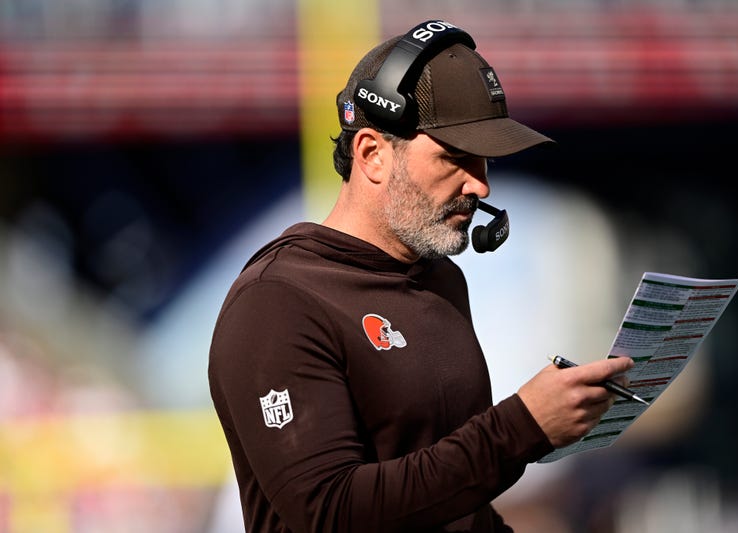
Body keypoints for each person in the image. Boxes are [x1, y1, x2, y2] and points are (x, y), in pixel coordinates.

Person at [208, 19, 634, 533]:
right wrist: (522, 426)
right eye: (454, 157)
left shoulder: (441, 281)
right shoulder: (278, 301)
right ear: (372, 154)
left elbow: (449, 504)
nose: (478, 184)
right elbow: (328, 511)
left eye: (483, 160)